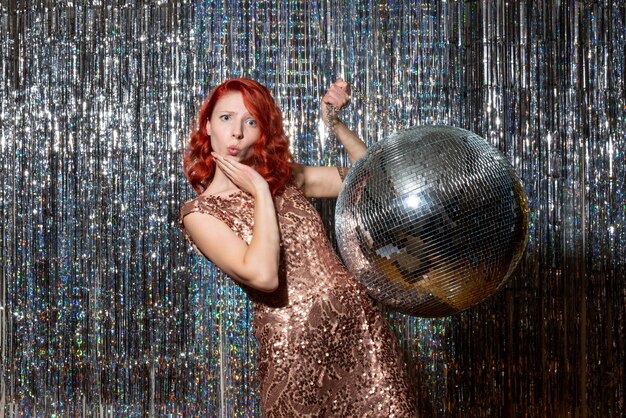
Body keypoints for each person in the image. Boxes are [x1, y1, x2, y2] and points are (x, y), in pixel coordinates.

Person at [179, 78, 416, 417]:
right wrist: (260, 191)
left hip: (361, 332)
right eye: (226, 118)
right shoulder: (200, 213)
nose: (237, 132)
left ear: (262, 132)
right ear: (207, 125)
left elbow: (375, 181)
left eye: (251, 121)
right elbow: (263, 276)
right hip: (297, 348)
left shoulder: (286, 178)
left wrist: (334, 124)